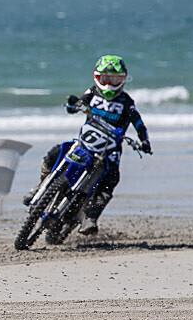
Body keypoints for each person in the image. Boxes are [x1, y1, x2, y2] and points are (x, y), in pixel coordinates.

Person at [22, 55, 152, 235]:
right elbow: (77, 104)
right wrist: (73, 105)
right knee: (54, 154)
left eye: (115, 79)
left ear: (123, 79)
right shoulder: (92, 93)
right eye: (105, 78)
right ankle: (40, 186)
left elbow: (139, 123)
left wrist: (144, 141)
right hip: (85, 142)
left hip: (109, 150)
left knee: (111, 179)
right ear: (97, 77)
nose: (109, 84)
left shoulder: (126, 102)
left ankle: (90, 217)